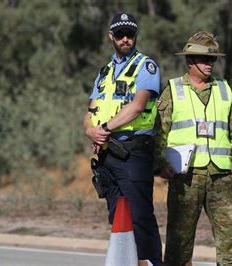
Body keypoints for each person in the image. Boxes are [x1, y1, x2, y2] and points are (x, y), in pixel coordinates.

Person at [156, 31, 232, 266]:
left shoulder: (224, 90)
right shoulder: (173, 90)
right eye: (204, 60)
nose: (209, 64)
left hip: (219, 176)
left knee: (229, 237)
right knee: (179, 241)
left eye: (212, 60)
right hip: (185, 177)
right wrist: (159, 164)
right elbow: (159, 132)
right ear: (189, 61)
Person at [83, 12, 163, 265]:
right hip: (108, 154)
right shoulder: (105, 71)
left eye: (130, 34)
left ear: (135, 36)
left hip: (133, 152)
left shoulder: (146, 66)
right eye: (120, 35)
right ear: (111, 37)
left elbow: (138, 106)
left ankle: (150, 262)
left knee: (140, 216)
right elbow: (91, 111)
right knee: (117, 216)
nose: (125, 39)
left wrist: (104, 128)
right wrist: (90, 130)